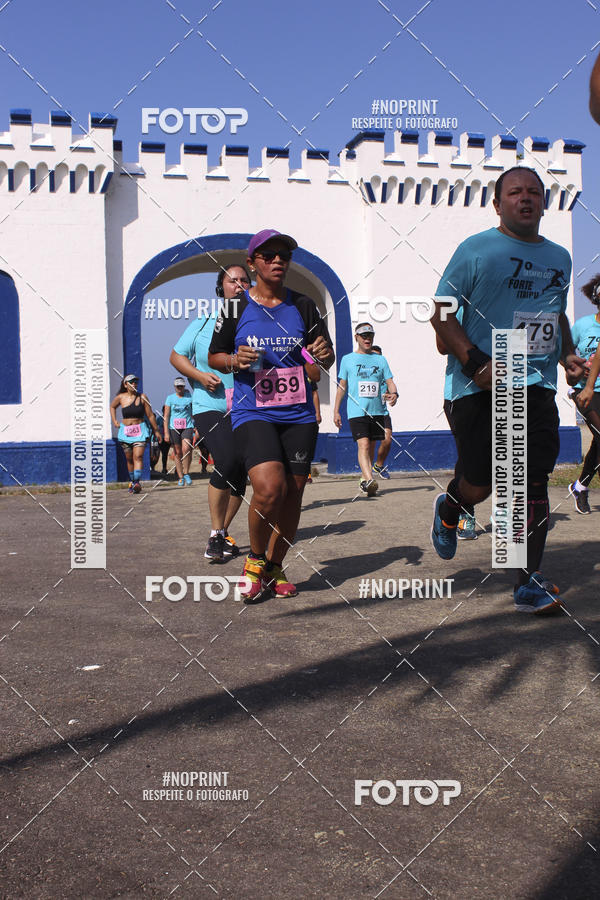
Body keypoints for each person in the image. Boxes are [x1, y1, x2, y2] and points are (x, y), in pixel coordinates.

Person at [430, 166, 585, 614]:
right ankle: (451, 505)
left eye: (534, 192)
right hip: (476, 385)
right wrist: (474, 361)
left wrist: (566, 355)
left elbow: (553, 314)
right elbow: (441, 313)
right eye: (515, 192)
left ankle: (526, 582)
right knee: (480, 484)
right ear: (497, 204)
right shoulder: (476, 250)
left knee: (528, 482)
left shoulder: (559, 257)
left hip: (534, 384)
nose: (526, 198)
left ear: (544, 202)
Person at [208, 228, 334, 601]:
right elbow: (214, 356)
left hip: (298, 414)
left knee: (293, 494)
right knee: (267, 488)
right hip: (253, 410)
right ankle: (254, 562)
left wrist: (322, 358)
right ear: (253, 263)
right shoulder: (235, 307)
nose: (278, 260)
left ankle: (276, 566)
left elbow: (316, 366)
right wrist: (234, 360)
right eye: (268, 255)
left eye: (284, 255)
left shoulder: (306, 305)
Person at [170, 264, 251, 561]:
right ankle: (216, 534)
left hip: (245, 407)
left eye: (244, 280)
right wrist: (200, 377)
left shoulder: (255, 325)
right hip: (209, 404)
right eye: (232, 281)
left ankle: (221, 532)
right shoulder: (203, 323)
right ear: (221, 289)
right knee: (226, 460)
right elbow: (176, 355)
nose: (239, 285)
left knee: (241, 473)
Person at [333, 324, 398, 495]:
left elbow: (389, 380)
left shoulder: (380, 360)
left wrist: (394, 393)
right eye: (363, 336)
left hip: (376, 410)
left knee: (371, 446)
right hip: (356, 411)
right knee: (363, 444)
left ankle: (364, 477)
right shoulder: (347, 359)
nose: (367, 338)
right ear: (356, 338)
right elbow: (342, 386)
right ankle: (370, 480)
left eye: (370, 335)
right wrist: (336, 410)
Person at [565, 276, 600, 514]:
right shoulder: (584, 325)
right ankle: (580, 487)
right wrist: (573, 372)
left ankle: (580, 486)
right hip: (587, 391)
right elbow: (565, 350)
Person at [110, 374, 161, 493]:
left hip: (140, 431)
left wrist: (156, 431)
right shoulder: (120, 397)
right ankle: (132, 482)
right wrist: (114, 421)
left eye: (136, 382)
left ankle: (137, 482)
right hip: (125, 432)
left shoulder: (142, 397)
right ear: (125, 384)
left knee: (138, 456)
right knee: (129, 459)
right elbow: (112, 407)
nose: (134, 384)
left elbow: (150, 415)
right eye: (131, 382)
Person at [164, 377, 194, 486]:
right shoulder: (170, 398)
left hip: (187, 425)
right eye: (178, 386)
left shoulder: (189, 397)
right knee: (177, 452)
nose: (180, 388)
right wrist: (166, 433)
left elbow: (194, 411)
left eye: (181, 386)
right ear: (174, 387)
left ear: (184, 386)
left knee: (186, 448)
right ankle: (180, 476)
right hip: (174, 427)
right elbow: (166, 416)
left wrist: (197, 425)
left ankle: (186, 473)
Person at [371, 344, 393, 479]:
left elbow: (391, 389)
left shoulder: (385, 373)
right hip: (369, 413)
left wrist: (393, 396)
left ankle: (378, 465)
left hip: (383, 413)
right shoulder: (365, 373)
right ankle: (367, 475)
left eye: (379, 357)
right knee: (369, 445)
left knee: (387, 440)